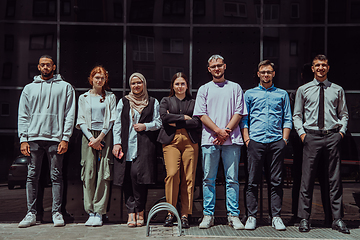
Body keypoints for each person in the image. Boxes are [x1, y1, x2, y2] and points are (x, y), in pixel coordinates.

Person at [293, 54, 349, 234]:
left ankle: (337, 219)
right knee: (306, 180)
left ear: (328, 67)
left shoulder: (337, 90)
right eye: (317, 65)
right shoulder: (304, 89)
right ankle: (304, 219)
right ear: (312, 68)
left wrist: (341, 133)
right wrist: (302, 135)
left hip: (332, 137)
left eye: (323, 65)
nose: (320, 68)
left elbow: (344, 114)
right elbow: (297, 115)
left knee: (334, 180)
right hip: (311, 137)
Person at [17, 55, 76, 228]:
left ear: (53, 66)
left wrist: (65, 138)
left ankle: (57, 213)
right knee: (32, 176)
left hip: (55, 139)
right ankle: (31, 213)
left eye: (48, 65)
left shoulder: (65, 87)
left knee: (56, 176)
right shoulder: (29, 89)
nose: (45, 67)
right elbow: (23, 115)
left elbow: (69, 114)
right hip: (33, 138)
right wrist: (23, 139)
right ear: (38, 67)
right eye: (42, 65)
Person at [193, 54, 247, 230]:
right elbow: (201, 114)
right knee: (208, 179)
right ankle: (208, 215)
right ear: (209, 69)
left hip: (232, 141)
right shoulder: (204, 89)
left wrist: (226, 132)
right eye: (213, 66)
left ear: (225, 66)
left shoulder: (235, 87)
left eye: (219, 65)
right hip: (210, 141)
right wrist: (218, 131)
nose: (217, 68)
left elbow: (239, 112)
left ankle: (234, 215)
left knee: (232, 180)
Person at [240, 60, 292, 231]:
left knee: (276, 181)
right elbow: (244, 119)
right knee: (252, 180)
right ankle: (251, 216)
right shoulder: (249, 94)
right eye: (263, 72)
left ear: (273, 74)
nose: (266, 75)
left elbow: (287, 118)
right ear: (258, 74)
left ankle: (276, 216)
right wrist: (247, 140)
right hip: (256, 141)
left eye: (269, 72)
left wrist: (284, 140)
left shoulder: (282, 94)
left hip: (276, 141)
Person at [112, 73, 161, 227]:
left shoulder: (152, 102)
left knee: (140, 179)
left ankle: (140, 210)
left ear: (144, 84)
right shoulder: (124, 102)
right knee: (127, 178)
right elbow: (117, 124)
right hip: (126, 146)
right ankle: (131, 213)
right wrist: (116, 143)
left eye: (139, 82)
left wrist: (145, 126)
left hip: (144, 146)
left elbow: (158, 122)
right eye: (133, 83)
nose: (136, 86)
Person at [157, 72, 202, 228]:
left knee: (189, 178)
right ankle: (170, 212)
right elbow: (164, 118)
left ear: (187, 86)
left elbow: (197, 122)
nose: (180, 86)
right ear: (173, 86)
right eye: (177, 84)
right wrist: (184, 118)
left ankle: (185, 214)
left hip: (190, 141)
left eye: (183, 83)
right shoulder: (166, 100)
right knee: (172, 174)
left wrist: (175, 119)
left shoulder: (194, 102)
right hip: (171, 142)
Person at [290, 63, 332, 226]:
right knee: (324, 180)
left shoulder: (299, 92)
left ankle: (298, 215)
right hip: (309, 141)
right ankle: (326, 217)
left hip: (309, 141)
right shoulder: (301, 92)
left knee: (301, 181)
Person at [75, 66, 117, 227]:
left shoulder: (110, 97)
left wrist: (100, 138)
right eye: (96, 77)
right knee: (88, 172)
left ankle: (99, 211)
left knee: (103, 173)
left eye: (102, 78)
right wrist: (92, 138)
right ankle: (90, 211)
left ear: (106, 80)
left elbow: (112, 119)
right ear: (91, 79)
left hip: (105, 135)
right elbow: (80, 120)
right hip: (88, 137)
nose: (99, 80)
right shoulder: (84, 97)